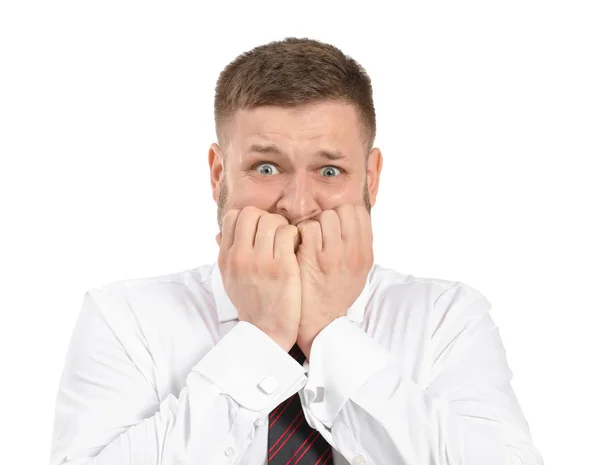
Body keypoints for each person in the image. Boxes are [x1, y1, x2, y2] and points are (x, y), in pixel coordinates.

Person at [50, 37, 544, 465]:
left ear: (370, 178)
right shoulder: (125, 318)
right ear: (219, 174)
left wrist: (331, 335)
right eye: (266, 168)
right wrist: (262, 340)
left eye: (329, 171)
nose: (298, 205)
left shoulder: (445, 317)